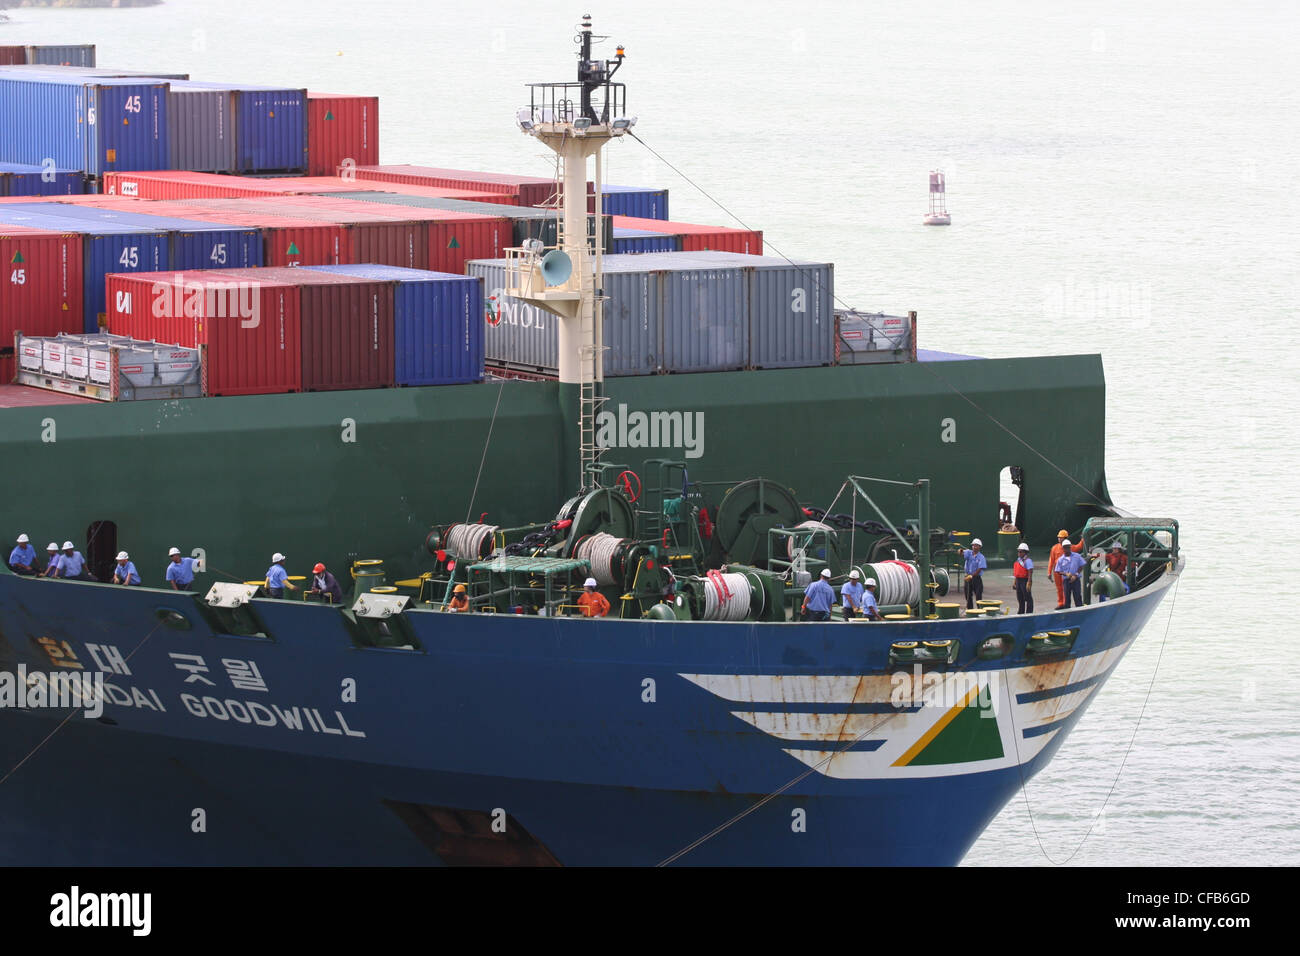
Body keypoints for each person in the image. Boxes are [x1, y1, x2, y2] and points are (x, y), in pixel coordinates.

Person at [1049, 530, 1085, 609]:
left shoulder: (1074, 552)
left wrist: (1083, 538)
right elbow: (1051, 560)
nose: (1059, 539)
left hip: (1073, 577)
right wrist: (1049, 572)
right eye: (1059, 537)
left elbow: (1079, 547)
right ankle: (1062, 603)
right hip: (1059, 572)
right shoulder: (1055, 549)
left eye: (1061, 538)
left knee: (1076, 594)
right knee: (1060, 588)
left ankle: (1077, 607)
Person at [1055, 540, 1086, 608]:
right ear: (1063, 548)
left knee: (1077, 597)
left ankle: (1080, 612)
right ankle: (1067, 613)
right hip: (1066, 581)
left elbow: (1082, 565)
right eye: (1065, 548)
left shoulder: (1077, 556)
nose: (1067, 549)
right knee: (1067, 599)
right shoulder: (1060, 559)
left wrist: (1076, 574)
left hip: (1076, 580)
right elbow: (1058, 571)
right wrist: (1065, 574)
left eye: (1068, 547)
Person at [961, 538, 987, 609]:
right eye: (973, 545)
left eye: (976, 545)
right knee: (968, 595)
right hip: (968, 577)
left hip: (976, 578)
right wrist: (960, 551)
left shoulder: (981, 557)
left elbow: (980, 568)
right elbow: (961, 552)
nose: (974, 547)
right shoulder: (969, 553)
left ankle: (980, 610)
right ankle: (970, 610)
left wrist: (972, 576)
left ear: (979, 547)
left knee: (978, 595)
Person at [1013, 542, 1034, 614]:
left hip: (1025, 580)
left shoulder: (1028, 561)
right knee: (1020, 597)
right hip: (1018, 580)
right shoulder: (1018, 560)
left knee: (1027, 597)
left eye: (1020, 551)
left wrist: (1029, 582)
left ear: (1025, 552)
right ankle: (1021, 611)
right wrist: (1015, 582)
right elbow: (1017, 572)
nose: (1019, 553)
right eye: (1018, 551)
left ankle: (1029, 612)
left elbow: (1030, 571)